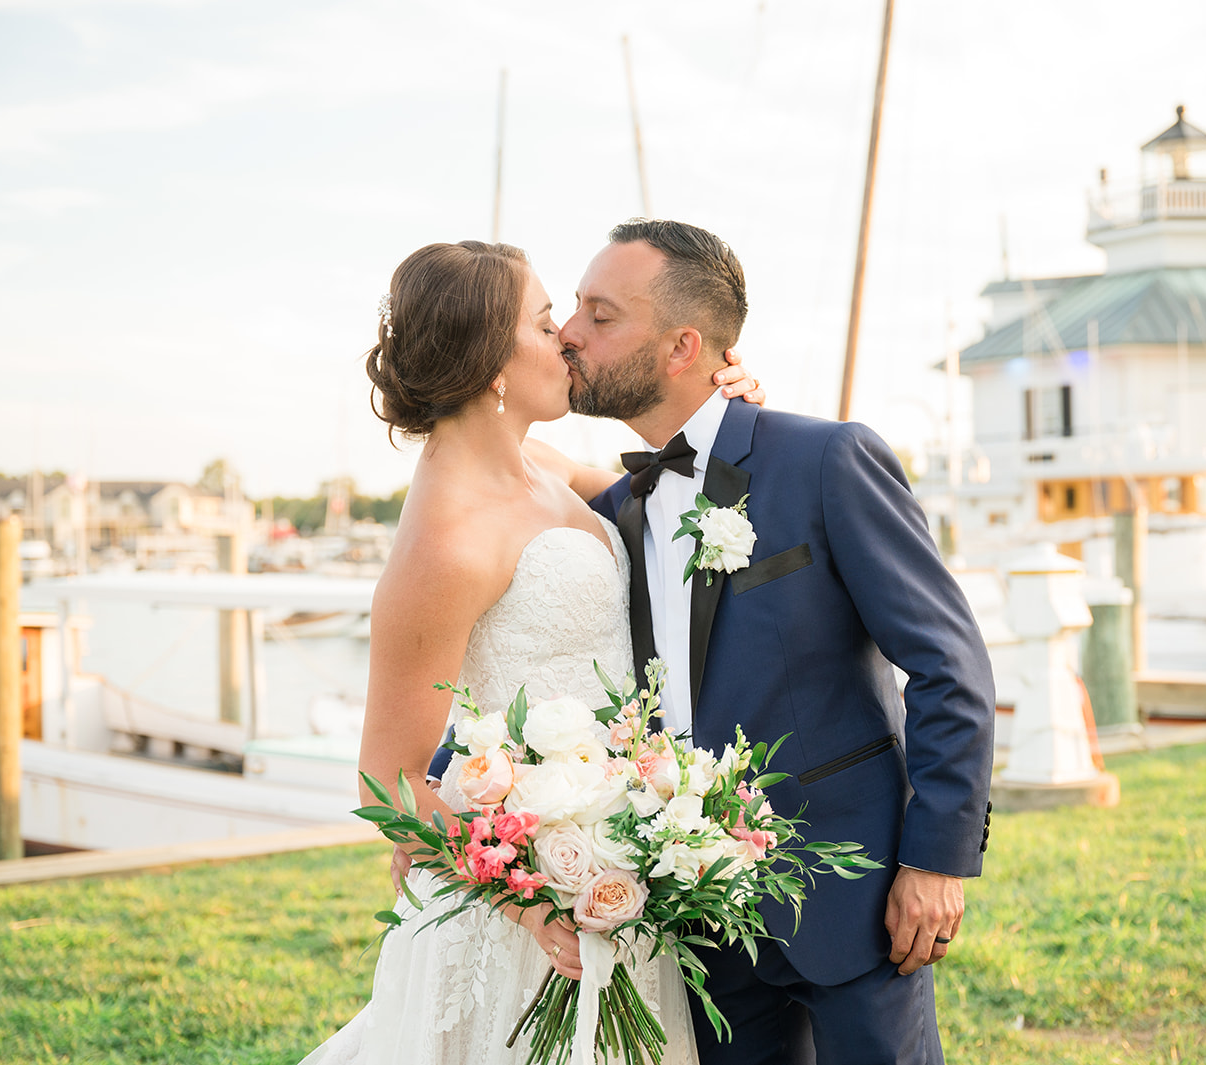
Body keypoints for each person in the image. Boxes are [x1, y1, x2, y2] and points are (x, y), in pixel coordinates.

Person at [300, 239, 764, 1065]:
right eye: (548, 322)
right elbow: (389, 776)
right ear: (491, 361)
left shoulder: (540, 463)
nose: (570, 339)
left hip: (617, 865)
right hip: (525, 914)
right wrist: (532, 905)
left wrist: (721, 408)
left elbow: (663, 484)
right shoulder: (446, 538)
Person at [559, 219, 997, 1065]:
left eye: (600, 313)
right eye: (572, 308)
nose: (571, 332)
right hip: (698, 923)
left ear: (683, 344)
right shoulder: (620, 510)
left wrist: (937, 861)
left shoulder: (827, 459)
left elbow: (949, 663)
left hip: (855, 899)